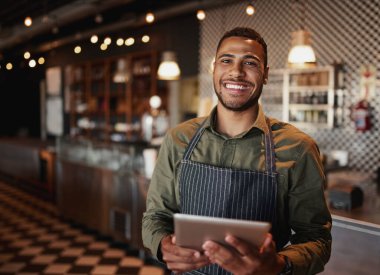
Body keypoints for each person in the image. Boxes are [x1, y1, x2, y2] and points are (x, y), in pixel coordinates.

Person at [142, 27, 332, 275]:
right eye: (226, 60)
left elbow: (317, 238)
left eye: (250, 62)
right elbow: (155, 216)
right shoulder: (179, 139)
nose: (236, 71)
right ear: (214, 68)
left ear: (265, 75)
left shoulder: (298, 148)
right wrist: (162, 245)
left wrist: (278, 264)